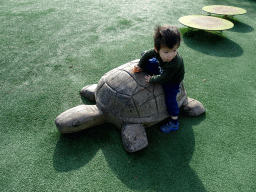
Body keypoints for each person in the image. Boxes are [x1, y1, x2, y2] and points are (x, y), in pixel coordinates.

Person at [133, 25, 185, 133]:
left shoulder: (174, 63)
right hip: (161, 67)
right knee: (145, 58)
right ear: (157, 49)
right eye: (166, 52)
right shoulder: (156, 52)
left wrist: (152, 79)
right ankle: (149, 63)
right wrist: (140, 65)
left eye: (174, 50)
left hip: (172, 80)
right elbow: (147, 54)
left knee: (170, 99)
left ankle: (174, 122)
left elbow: (164, 78)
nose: (171, 55)